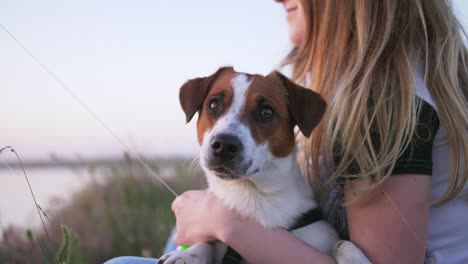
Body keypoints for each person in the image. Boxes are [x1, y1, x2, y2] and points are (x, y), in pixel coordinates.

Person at [106, 0, 468, 263]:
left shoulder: (385, 102)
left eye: (264, 113)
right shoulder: (394, 86)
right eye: (215, 106)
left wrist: (223, 222)